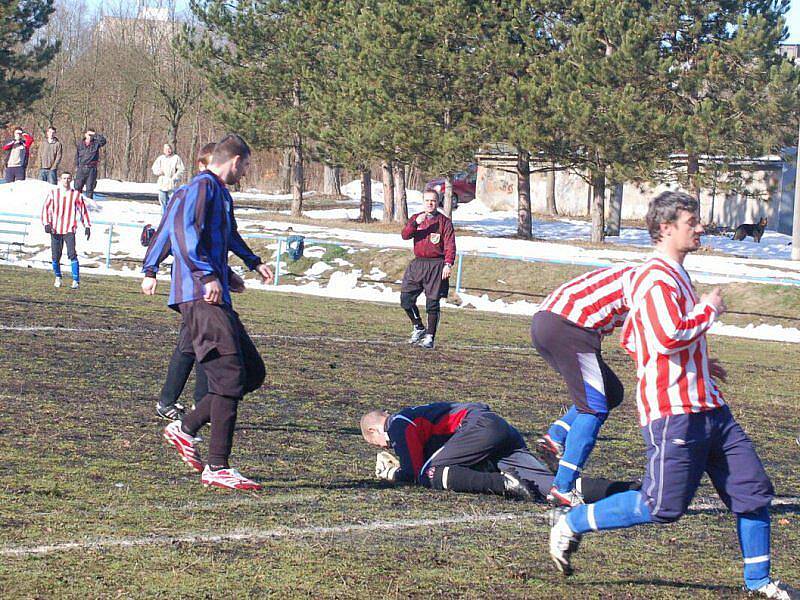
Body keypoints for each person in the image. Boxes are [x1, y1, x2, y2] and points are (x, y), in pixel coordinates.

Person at [548, 191, 796, 600]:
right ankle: (572, 522)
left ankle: (760, 582)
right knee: (661, 507)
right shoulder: (656, 277)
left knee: (752, 490)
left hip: (712, 408)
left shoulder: (677, 274)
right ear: (665, 229)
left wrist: (702, 362)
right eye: (691, 221)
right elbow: (667, 336)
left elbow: (657, 336)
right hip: (674, 412)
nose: (700, 228)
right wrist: (710, 309)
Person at [141, 134, 274, 491]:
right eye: (245, 166)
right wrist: (205, 274)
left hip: (215, 295)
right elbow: (182, 234)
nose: (245, 173)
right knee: (228, 376)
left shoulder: (219, 192)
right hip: (200, 296)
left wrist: (248, 263)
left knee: (252, 372)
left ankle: (184, 428)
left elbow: (225, 234)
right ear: (234, 161)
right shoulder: (199, 188)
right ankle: (217, 466)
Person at [360, 402, 640, 503]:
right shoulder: (413, 419)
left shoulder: (398, 424)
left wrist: (394, 473)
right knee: (553, 487)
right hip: (497, 429)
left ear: (374, 431)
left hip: (478, 427)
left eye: (377, 444)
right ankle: (631, 489)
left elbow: (414, 472)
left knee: (428, 474)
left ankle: (504, 483)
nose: (386, 448)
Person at [531, 264, 635, 506]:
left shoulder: (636, 274)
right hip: (571, 328)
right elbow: (639, 339)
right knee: (594, 408)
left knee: (610, 392)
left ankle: (556, 436)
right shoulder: (651, 287)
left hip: (546, 321)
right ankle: (563, 486)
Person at [149, 142, 230, 422]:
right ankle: (200, 406)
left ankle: (172, 402)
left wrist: (230, 272)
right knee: (207, 343)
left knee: (191, 343)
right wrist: (151, 269)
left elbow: (218, 240)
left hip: (206, 282)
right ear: (201, 166)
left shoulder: (220, 194)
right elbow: (169, 233)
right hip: (193, 284)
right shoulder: (188, 192)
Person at [399, 190, 456, 349]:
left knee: (432, 303)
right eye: (427, 200)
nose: (430, 203)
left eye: (433, 201)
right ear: (423, 202)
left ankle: (430, 337)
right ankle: (418, 326)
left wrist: (448, 263)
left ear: (437, 202)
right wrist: (415, 223)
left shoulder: (445, 222)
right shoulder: (416, 218)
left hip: (436, 265)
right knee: (405, 299)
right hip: (418, 264)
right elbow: (405, 235)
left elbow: (450, 245)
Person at [41, 172, 91, 289]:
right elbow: (46, 208)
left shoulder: (76, 195)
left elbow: (83, 210)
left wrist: (87, 226)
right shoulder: (54, 193)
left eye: (68, 178)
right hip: (55, 229)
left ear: (71, 180)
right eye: (64, 178)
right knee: (55, 256)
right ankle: (58, 277)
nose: (66, 180)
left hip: (69, 229)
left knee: (72, 254)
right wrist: (46, 223)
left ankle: (76, 280)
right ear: (60, 180)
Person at [151, 143, 186, 213]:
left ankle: (171, 216)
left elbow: (181, 169)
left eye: (169, 149)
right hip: (162, 183)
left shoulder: (176, 158)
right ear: (164, 150)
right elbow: (154, 168)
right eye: (166, 149)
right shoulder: (160, 158)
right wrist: (159, 172)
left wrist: (175, 177)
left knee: (172, 202)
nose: (168, 151)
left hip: (171, 183)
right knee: (163, 202)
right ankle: (164, 217)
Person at [74, 128, 106, 199]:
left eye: (92, 135)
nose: (90, 136)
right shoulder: (80, 144)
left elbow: (103, 141)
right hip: (81, 168)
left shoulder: (96, 144)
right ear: (85, 134)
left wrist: (95, 135)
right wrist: (76, 167)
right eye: (89, 134)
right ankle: (77, 204)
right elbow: (77, 156)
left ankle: (89, 206)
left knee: (90, 189)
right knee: (77, 188)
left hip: (91, 169)